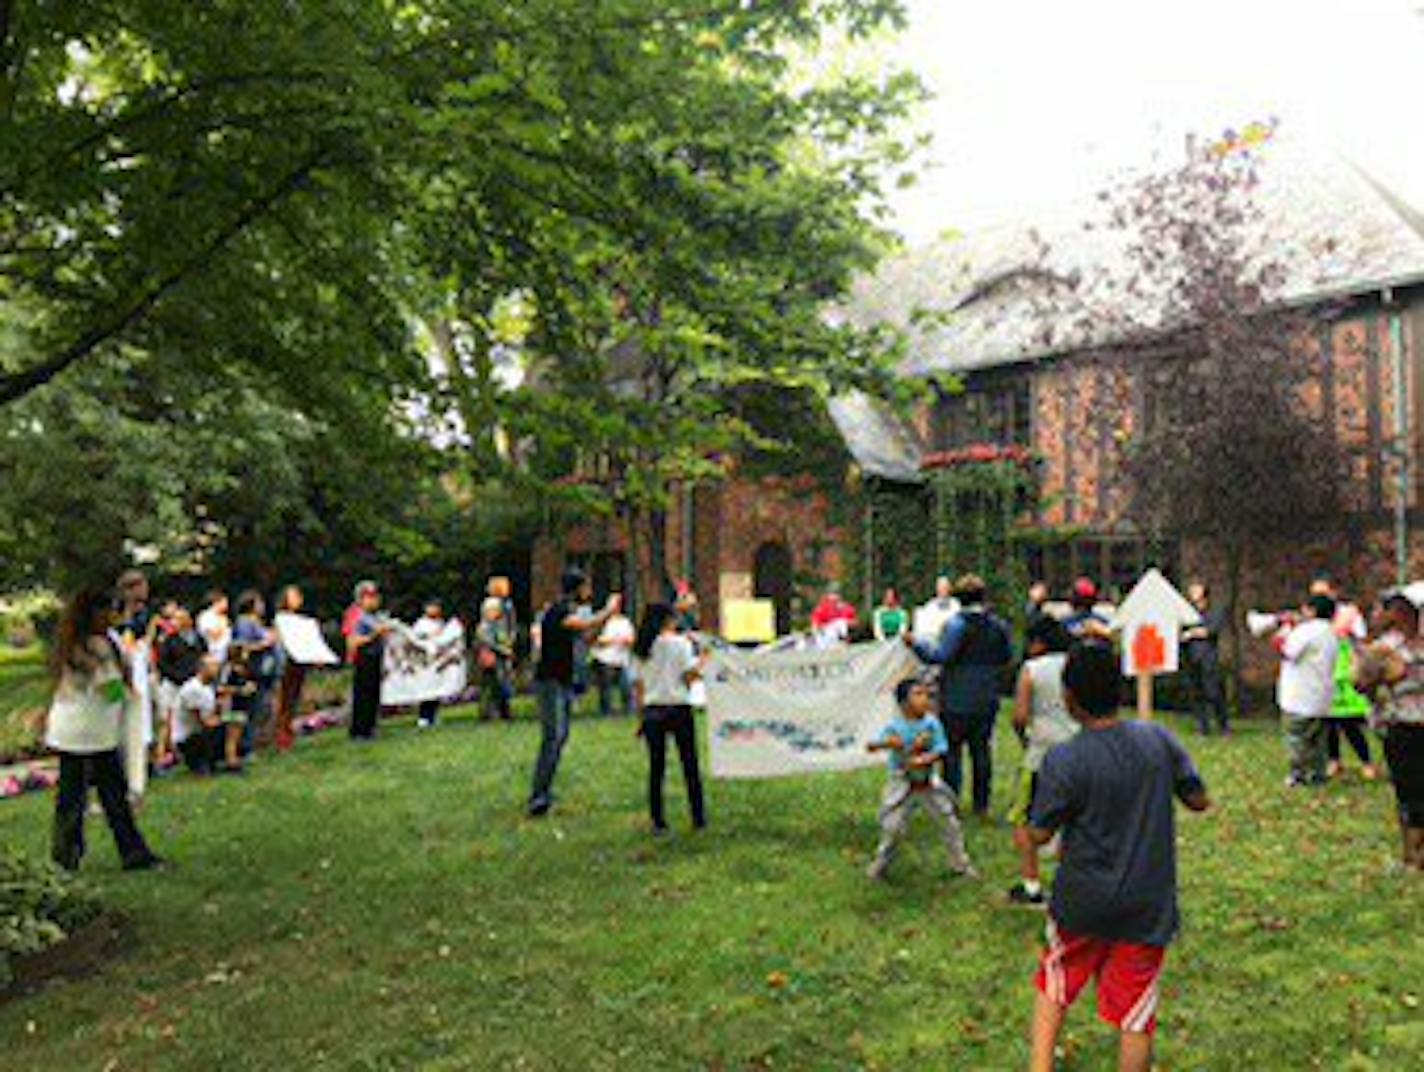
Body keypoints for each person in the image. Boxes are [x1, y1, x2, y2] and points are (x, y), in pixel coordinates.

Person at [1027, 642, 1210, 1072]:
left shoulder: (1064, 759)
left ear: (1069, 699)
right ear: (1120, 688)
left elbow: (1040, 832)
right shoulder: (1158, 739)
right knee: (1136, 1012)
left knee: (1055, 979)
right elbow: (1198, 799)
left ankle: (1040, 1067)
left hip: (1081, 900)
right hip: (1147, 904)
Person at [45, 590, 161, 872]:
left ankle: (67, 856)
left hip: (73, 731)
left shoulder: (73, 644)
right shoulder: (94, 646)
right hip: (89, 733)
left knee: (74, 797)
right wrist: (132, 696)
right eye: (107, 610)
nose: (111, 616)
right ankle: (130, 852)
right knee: (106, 795)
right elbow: (108, 687)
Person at [906, 574, 1013, 816]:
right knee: (981, 752)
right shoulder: (999, 625)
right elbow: (1007, 657)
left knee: (952, 753)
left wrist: (915, 644)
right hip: (987, 696)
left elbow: (941, 656)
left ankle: (951, 802)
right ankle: (981, 804)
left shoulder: (957, 625)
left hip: (956, 697)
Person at [528, 570, 621, 817]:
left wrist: (605, 622)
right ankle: (538, 796)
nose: (589, 592)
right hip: (550, 682)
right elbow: (585, 625)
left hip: (564, 681)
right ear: (577, 588)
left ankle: (544, 789)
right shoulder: (559, 610)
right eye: (586, 587)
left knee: (560, 736)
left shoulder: (569, 612)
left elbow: (587, 637)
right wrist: (609, 611)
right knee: (553, 737)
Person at [864, 678, 975, 881]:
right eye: (918, 694)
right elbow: (872, 745)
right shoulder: (895, 727)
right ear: (903, 703)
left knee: (948, 822)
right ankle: (880, 864)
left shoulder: (932, 723)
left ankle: (961, 863)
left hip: (927, 783)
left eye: (927, 694)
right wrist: (888, 743)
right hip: (902, 783)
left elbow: (941, 748)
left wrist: (926, 758)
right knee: (893, 827)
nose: (925, 699)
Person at [1007, 616, 1077, 906]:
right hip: (1078, 752)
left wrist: (1023, 737)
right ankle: (1071, 883)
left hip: (1041, 754)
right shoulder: (1076, 665)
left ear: (1037, 643)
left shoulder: (1032, 670)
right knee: (1074, 820)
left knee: (1024, 819)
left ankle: (1031, 884)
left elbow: (1020, 716)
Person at [1356, 592, 1424, 870]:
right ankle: (1415, 855)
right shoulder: (1387, 648)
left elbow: (1361, 684)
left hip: (1405, 725)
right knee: (1412, 792)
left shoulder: (1388, 648)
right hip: (1403, 726)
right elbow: (1363, 683)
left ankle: (1415, 857)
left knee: (1412, 793)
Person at [631, 602, 707, 835]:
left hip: (653, 710)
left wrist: (640, 717)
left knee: (657, 768)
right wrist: (704, 660)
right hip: (679, 708)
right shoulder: (680, 644)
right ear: (668, 620)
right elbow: (689, 677)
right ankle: (698, 817)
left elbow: (639, 685)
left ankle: (658, 820)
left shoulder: (643, 646)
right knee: (690, 765)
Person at [1309, 579, 1379, 780]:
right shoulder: (1311, 617)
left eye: (1323, 593)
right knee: (1328, 722)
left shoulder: (1348, 613)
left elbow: (1361, 637)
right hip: (1323, 671)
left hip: (1345, 668)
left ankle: (1366, 762)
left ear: (1334, 592)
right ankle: (1334, 760)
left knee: (1348, 722)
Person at [1274, 594, 1340, 787]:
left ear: (1312, 610)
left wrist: (1284, 630)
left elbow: (1287, 651)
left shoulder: (1306, 631)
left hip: (1299, 695)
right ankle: (1318, 775)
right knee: (1318, 741)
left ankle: (1298, 775)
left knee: (1296, 738)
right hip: (1322, 696)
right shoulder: (1330, 632)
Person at [156, 607, 206, 768]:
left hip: (192, 684)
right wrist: (178, 678)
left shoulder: (198, 638)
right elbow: (163, 664)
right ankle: (166, 752)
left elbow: (203, 656)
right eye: (173, 619)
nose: (175, 622)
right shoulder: (169, 640)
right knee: (168, 718)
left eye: (179, 619)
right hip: (173, 684)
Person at [232, 590, 279, 752]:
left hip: (267, 671)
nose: (262, 606)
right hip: (254, 671)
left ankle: (259, 741)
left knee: (263, 707)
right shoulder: (244, 622)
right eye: (259, 603)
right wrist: (266, 643)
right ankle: (246, 746)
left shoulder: (258, 622)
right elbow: (243, 647)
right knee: (253, 708)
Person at [1182, 582, 1231, 736]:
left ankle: (1223, 727)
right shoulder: (1187, 612)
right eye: (1191, 590)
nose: (1193, 593)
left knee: (1214, 693)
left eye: (1196, 590)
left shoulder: (1215, 611)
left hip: (1209, 658)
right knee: (1197, 694)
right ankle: (1202, 728)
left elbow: (1211, 630)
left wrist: (1191, 633)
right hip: (1191, 657)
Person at [344, 581, 390, 741]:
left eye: (376, 596)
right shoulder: (355, 614)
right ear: (361, 598)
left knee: (373, 694)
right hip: (363, 658)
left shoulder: (374, 616)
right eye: (370, 596)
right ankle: (359, 731)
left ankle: (370, 727)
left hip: (375, 657)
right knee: (362, 695)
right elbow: (352, 641)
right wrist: (374, 635)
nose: (375, 600)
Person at [272, 585, 309, 752]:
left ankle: (289, 732)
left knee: (294, 699)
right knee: (284, 701)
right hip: (286, 663)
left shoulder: (301, 620)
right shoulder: (281, 619)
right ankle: (281, 737)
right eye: (293, 596)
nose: (297, 599)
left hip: (299, 663)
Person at [174, 654, 225, 775]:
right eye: (212, 666)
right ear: (202, 668)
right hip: (189, 737)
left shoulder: (208, 687)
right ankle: (199, 764)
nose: (216, 669)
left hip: (200, 731)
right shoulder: (193, 688)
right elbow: (201, 720)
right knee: (217, 729)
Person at [475, 597, 515, 721]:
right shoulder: (484, 626)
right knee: (490, 687)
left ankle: (504, 712)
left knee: (502, 686)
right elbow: (487, 642)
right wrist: (505, 650)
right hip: (491, 661)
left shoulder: (500, 625)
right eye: (493, 610)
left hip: (501, 661)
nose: (496, 612)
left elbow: (505, 638)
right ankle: (488, 713)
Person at [592, 606, 636, 717]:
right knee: (606, 688)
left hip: (622, 659)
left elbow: (632, 639)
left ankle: (628, 710)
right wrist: (611, 641)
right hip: (605, 658)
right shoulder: (603, 621)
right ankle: (606, 711)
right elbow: (596, 640)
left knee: (626, 685)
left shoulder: (625, 622)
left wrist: (625, 641)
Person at [413, 598, 449, 728]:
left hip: (438, 660)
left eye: (436, 607)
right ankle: (423, 716)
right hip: (425, 661)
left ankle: (434, 714)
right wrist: (431, 635)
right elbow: (415, 639)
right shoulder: (421, 623)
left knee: (437, 688)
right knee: (425, 689)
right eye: (431, 607)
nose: (434, 609)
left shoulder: (441, 622)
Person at [197, 590, 233, 665]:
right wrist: (222, 622)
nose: (227, 605)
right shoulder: (206, 616)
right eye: (225, 602)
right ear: (216, 602)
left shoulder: (224, 617)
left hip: (228, 652)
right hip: (215, 653)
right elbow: (213, 635)